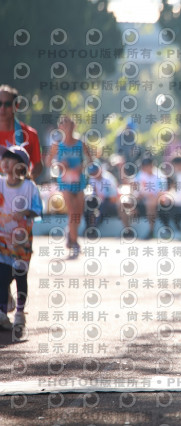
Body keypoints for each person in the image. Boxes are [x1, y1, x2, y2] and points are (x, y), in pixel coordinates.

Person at [0, 145, 43, 330]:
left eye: (11, 160)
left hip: (21, 241)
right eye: (4, 159)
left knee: (20, 276)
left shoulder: (28, 187)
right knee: (2, 276)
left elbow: (38, 210)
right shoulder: (0, 183)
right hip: (2, 240)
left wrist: (24, 212)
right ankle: (2, 313)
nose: (5, 163)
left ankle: (19, 312)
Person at [45, 116, 93, 259]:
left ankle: (71, 235)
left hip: (79, 181)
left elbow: (90, 160)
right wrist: (60, 165)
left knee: (78, 214)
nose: (68, 128)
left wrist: (81, 166)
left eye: (70, 125)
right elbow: (48, 162)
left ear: (74, 126)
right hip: (65, 182)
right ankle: (74, 243)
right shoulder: (57, 145)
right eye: (64, 125)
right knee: (72, 212)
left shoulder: (80, 144)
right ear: (60, 128)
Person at [0, 85, 43, 180]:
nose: (2, 108)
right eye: (0, 103)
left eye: (7, 104)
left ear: (16, 106)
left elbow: (37, 165)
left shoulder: (30, 134)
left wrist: (26, 180)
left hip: (18, 187)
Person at [83, 162, 126, 238]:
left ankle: (94, 228)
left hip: (110, 201)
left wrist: (102, 198)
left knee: (103, 206)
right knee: (88, 203)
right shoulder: (92, 179)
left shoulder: (108, 179)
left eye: (95, 172)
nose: (94, 175)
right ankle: (88, 226)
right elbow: (94, 193)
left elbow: (113, 197)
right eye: (92, 173)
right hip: (98, 200)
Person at [132, 157, 164, 239]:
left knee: (150, 203)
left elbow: (161, 192)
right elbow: (135, 188)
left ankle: (151, 230)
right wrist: (137, 195)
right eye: (144, 166)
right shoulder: (140, 174)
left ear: (152, 165)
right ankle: (128, 230)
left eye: (147, 166)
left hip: (155, 198)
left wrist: (151, 196)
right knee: (125, 202)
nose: (145, 168)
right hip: (142, 197)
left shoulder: (159, 175)